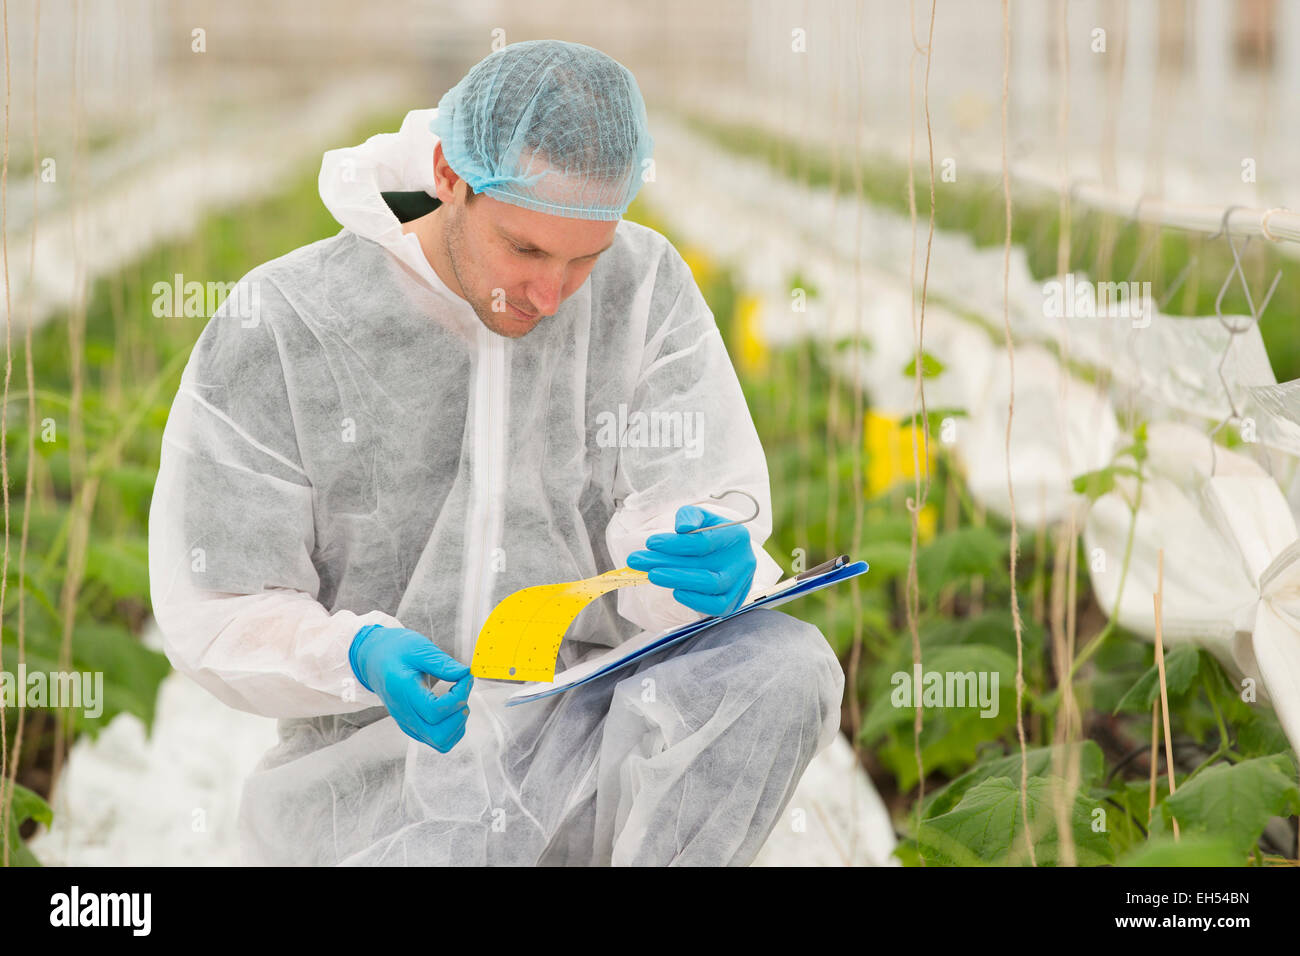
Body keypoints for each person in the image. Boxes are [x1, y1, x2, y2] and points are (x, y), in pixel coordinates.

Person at [148, 39, 844, 866]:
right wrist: (358, 656)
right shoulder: (290, 320)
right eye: (526, 250)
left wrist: (702, 557)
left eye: (585, 258)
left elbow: (688, 497)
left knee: (782, 667)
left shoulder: (643, 288)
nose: (551, 296)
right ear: (449, 175)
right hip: (382, 787)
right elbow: (218, 604)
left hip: (592, 749)